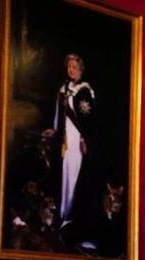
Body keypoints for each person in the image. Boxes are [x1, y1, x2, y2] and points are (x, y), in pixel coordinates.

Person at [42, 53, 99, 226]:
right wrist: (54, 128)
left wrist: (84, 139)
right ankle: (62, 213)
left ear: (80, 69)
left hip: (77, 139)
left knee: (74, 173)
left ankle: (72, 215)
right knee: (63, 172)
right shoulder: (63, 89)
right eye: (69, 67)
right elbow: (58, 113)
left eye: (74, 67)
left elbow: (89, 120)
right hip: (63, 138)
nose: (71, 70)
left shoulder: (84, 90)